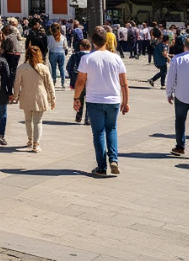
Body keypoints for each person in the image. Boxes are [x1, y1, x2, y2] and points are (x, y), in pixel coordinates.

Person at [73, 26, 130, 176]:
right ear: (107, 40)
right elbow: (124, 83)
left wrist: (76, 98)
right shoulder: (116, 58)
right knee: (111, 129)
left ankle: (101, 167)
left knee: (98, 133)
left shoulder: (87, 59)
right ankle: (114, 159)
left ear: (93, 41)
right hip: (113, 100)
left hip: (94, 100)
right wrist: (126, 101)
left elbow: (80, 82)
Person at [12, 44, 55, 152]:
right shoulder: (43, 68)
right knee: (38, 121)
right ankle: (36, 143)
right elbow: (50, 84)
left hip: (26, 96)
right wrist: (52, 98)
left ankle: (30, 140)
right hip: (40, 96)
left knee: (27, 120)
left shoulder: (22, 68)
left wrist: (16, 95)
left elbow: (17, 83)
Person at [67, 38, 92, 123]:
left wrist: (74, 77)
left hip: (79, 80)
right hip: (91, 81)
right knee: (89, 100)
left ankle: (78, 115)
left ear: (81, 47)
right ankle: (88, 118)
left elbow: (69, 67)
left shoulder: (75, 55)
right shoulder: (93, 56)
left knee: (79, 98)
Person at [47, 23, 69, 89]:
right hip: (61, 52)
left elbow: (49, 46)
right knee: (62, 68)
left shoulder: (50, 37)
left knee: (53, 68)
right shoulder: (63, 37)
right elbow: (65, 46)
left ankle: (53, 81)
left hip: (53, 52)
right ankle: (63, 82)